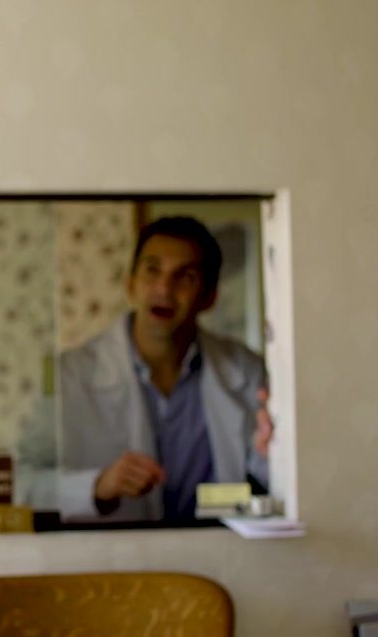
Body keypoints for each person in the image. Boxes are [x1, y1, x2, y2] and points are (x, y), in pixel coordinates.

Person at [16, 216, 273, 522]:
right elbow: (21, 483)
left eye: (185, 277)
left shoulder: (248, 370)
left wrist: (269, 458)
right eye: (152, 270)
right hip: (118, 549)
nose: (164, 289)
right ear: (130, 284)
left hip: (222, 543)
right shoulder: (68, 374)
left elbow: (271, 483)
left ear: (209, 297)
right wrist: (97, 486)